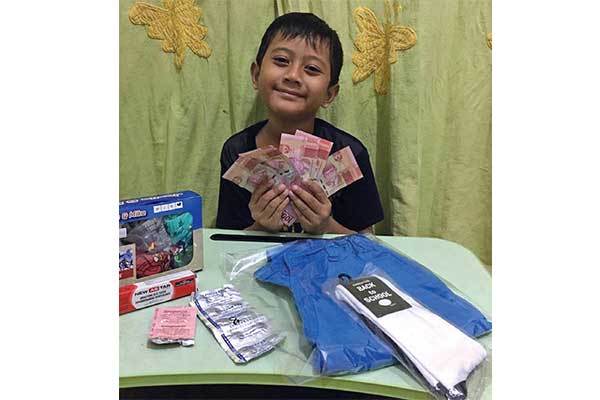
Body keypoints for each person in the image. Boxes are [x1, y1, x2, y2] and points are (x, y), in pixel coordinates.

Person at [216, 12, 384, 234]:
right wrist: (261, 226)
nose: (293, 75)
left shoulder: (349, 153)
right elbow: (226, 239)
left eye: (312, 69)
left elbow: (367, 240)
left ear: (329, 94)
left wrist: (326, 226)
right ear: (256, 75)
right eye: (281, 60)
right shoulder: (237, 151)